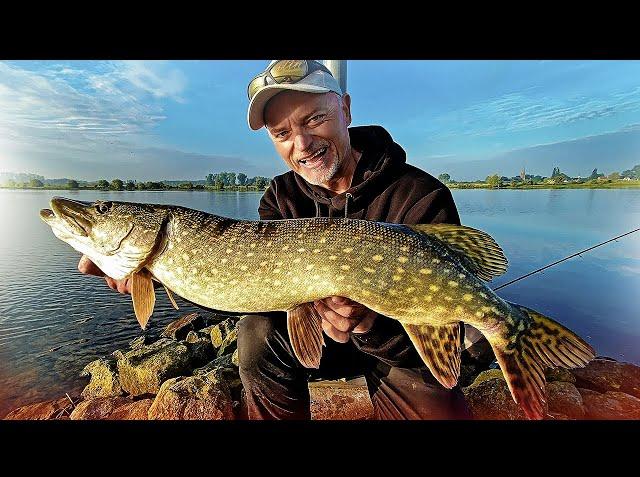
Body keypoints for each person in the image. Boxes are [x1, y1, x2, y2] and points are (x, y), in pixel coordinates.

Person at [78, 59, 492, 420]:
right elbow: (240, 289)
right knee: (256, 333)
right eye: (281, 133)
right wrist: (163, 275)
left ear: (344, 109)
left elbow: (447, 325)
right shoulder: (281, 197)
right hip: (317, 343)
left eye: (314, 119)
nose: (302, 144)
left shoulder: (419, 195)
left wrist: (369, 326)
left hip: (401, 349)